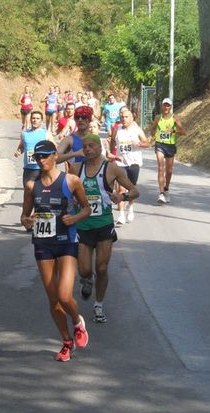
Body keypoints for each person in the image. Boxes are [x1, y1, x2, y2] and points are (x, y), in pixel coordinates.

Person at [21, 140, 91, 362]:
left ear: (54, 156)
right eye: (37, 157)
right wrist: (27, 221)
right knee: (52, 299)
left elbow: (87, 208)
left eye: (44, 156)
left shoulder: (71, 181)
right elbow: (24, 216)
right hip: (43, 243)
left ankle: (78, 321)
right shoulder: (32, 186)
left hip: (66, 241)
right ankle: (66, 342)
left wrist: (75, 217)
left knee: (64, 294)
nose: (41, 160)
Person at [68, 134, 139, 323]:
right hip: (83, 226)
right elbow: (65, 191)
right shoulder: (76, 168)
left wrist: (122, 198)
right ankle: (86, 280)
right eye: (85, 146)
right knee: (84, 270)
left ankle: (98, 305)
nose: (88, 149)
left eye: (91, 145)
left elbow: (135, 191)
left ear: (100, 147)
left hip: (104, 225)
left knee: (101, 267)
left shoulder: (111, 168)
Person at [109, 107, 151, 224]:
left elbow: (147, 143)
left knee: (132, 187)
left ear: (132, 118)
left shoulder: (137, 130)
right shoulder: (117, 129)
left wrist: (139, 144)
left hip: (134, 163)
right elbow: (112, 141)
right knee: (121, 188)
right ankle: (121, 215)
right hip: (120, 163)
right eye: (122, 117)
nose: (124, 119)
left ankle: (131, 208)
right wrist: (111, 153)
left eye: (126, 117)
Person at [151, 97, 187, 204]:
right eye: (164, 105)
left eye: (168, 105)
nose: (166, 107)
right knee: (161, 167)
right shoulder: (158, 118)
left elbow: (184, 132)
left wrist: (174, 131)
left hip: (170, 146)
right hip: (160, 145)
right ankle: (161, 193)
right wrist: (153, 134)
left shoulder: (175, 118)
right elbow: (153, 129)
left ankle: (166, 188)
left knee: (169, 171)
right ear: (162, 106)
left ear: (170, 107)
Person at [14, 110, 53, 188]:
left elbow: (54, 148)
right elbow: (22, 146)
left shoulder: (46, 133)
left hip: (42, 168)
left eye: (38, 118)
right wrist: (18, 152)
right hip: (28, 168)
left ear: (41, 120)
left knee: (40, 194)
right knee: (27, 193)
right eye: (33, 118)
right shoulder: (25, 133)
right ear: (30, 119)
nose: (35, 120)